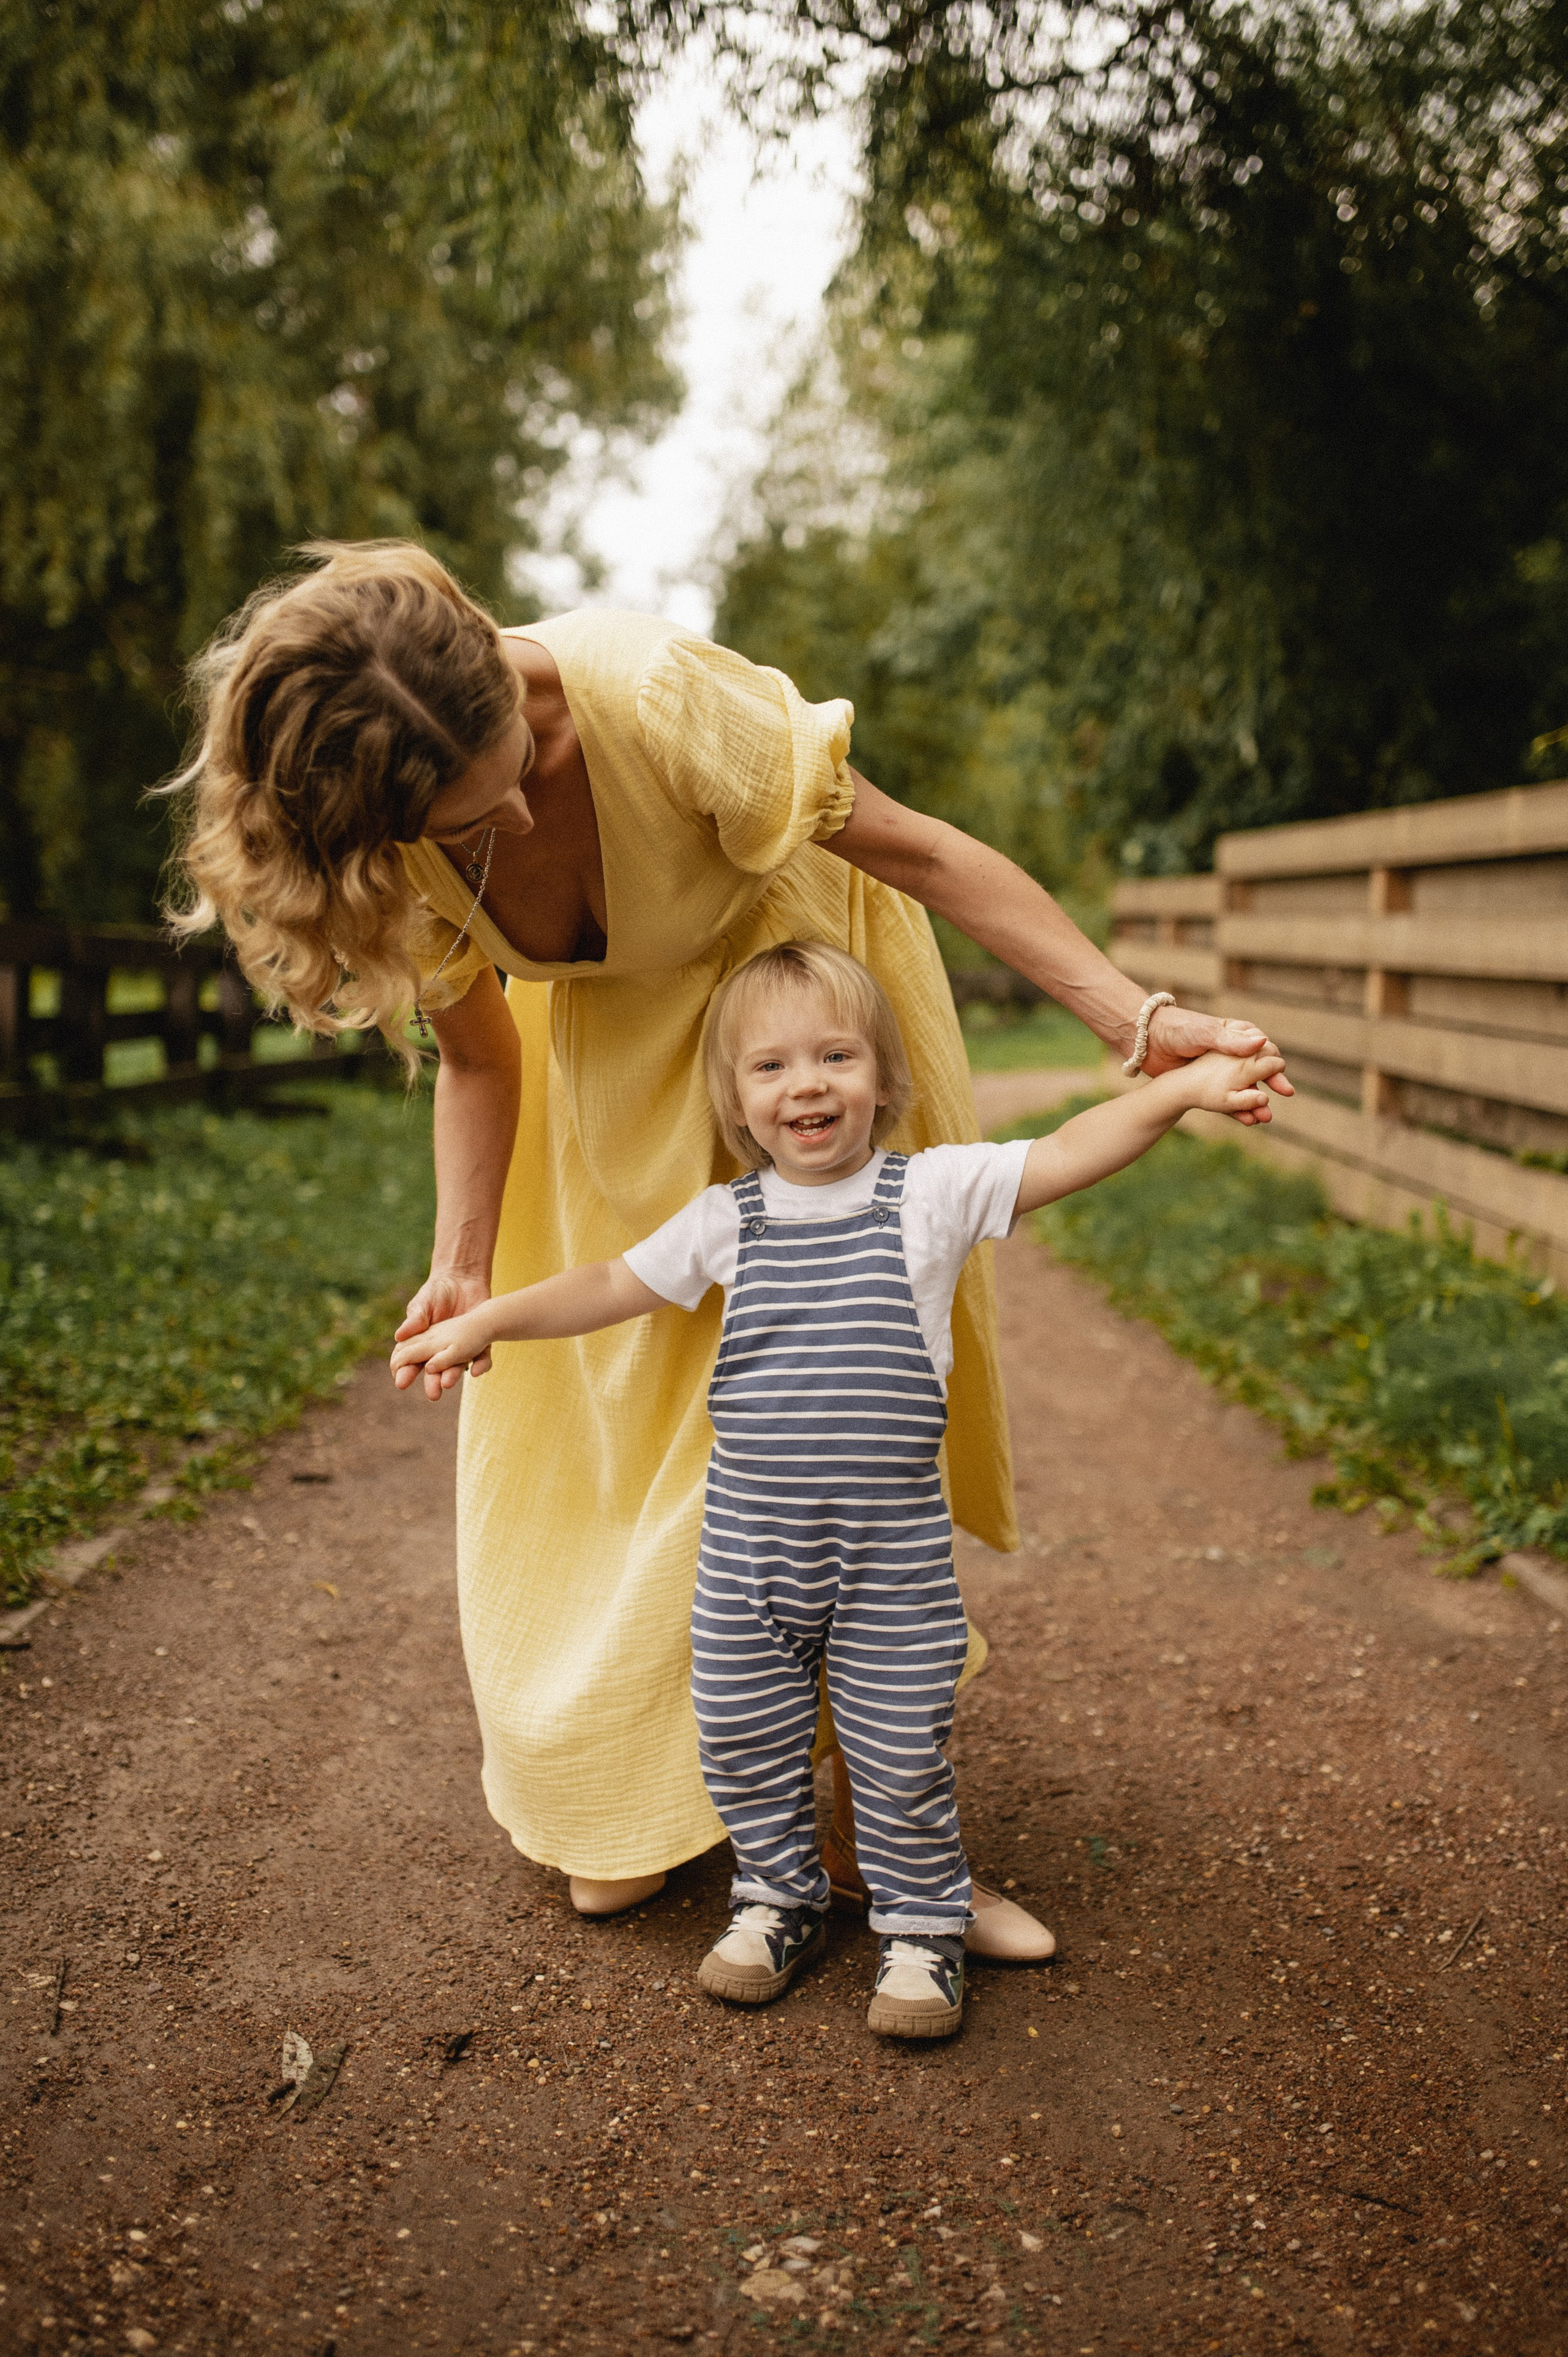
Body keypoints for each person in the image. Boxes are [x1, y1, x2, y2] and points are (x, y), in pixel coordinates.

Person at [168, 539, 1290, 1957]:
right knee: (615, 1446)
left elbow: (923, 851)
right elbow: (475, 1054)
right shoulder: (395, 810)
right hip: (614, 1100)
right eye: (472, 819)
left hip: (785, 1041)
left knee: (804, 1432)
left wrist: (1134, 1025)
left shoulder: (657, 696)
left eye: (517, 765)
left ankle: (874, 1838)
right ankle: (642, 1787)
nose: (513, 806)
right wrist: (464, 1261)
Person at [390, 939, 1286, 2038]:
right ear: (735, 1101)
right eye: (769, 1068)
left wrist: (1187, 1088)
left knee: (900, 1742)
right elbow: (608, 1285)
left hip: (889, 1559)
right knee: (740, 1733)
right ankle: (777, 1899)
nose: (805, 1083)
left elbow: (1066, 1150)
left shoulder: (933, 1194)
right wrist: (484, 1316)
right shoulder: (731, 1221)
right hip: (748, 1556)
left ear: (882, 1077)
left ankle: (920, 1928)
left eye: (834, 1056)